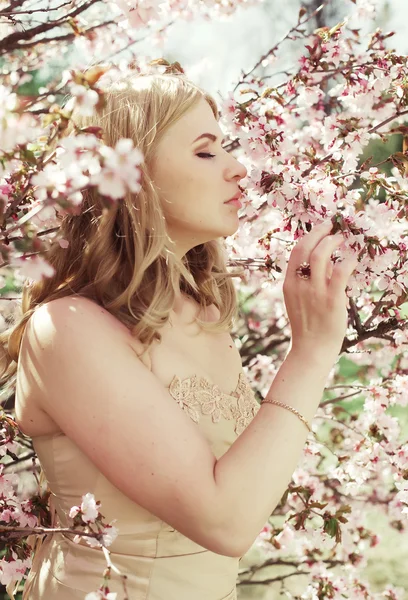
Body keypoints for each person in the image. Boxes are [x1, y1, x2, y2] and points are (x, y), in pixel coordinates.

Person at [1, 67, 359, 600]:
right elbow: (226, 523)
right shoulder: (67, 329)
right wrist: (311, 353)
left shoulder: (203, 315)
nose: (239, 169)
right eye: (206, 151)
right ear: (131, 176)